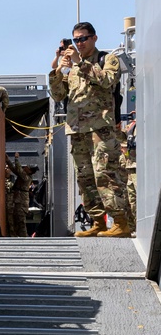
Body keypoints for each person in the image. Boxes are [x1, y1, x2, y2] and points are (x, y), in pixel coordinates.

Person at [49, 22, 131, 237]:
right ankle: (98, 222)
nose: (79, 43)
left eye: (83, 38)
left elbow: (107, 81)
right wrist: (57, 69)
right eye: (75, 40)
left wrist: (81, 63)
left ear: (94, 38)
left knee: (105, 174)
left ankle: (120, 222)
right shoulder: (73, 67)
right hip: (77, 129)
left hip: (100, 128)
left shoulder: (107, 59)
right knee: (85, 178)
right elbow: (58, 95)